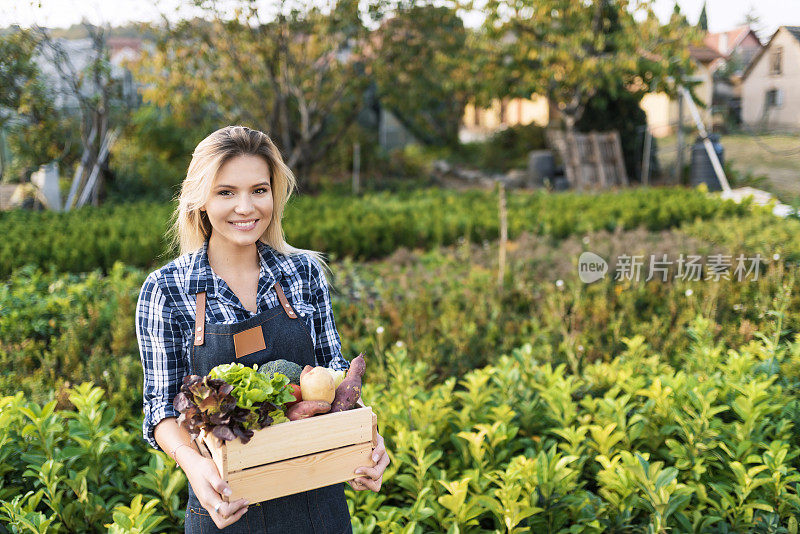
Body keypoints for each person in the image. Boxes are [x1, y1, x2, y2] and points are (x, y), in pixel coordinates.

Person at [135, 125, 390, 532]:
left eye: (259, 189)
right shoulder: (166, 291)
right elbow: (160, 407)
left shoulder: (302, 272)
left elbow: (335, 373)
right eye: (225, 192)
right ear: (199, 199)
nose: (245, 207)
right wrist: (195, 467)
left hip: (316, 507)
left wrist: (365, 440)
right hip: (226, 505)